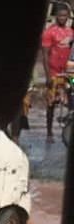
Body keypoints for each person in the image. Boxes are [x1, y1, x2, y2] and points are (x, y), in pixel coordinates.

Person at [42, 4, 73, 142]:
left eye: (65, 15)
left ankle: (69, 129)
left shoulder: (71, 32)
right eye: (60, 15)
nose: (62, 18)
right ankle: (49, 132)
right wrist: (48, 75)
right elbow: (45, 55)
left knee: (71, 99)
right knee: (51, 103)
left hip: (69, 73)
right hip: (54, 73)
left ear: (68, 17)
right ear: (56, 16)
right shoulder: (49, 32)